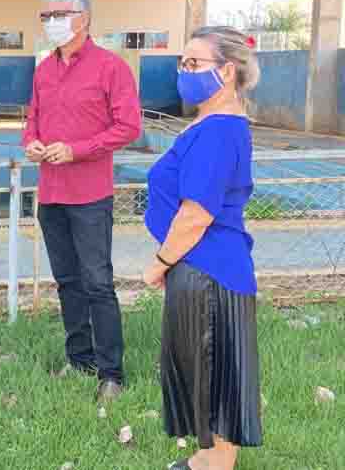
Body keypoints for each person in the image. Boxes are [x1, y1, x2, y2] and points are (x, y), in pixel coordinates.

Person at [143, 26, 262, 470]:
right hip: (202, 267)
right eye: (183, 63)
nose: (184, 72)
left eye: (194, 64)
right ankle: (209, 457)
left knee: (215, 370)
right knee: (211, 369)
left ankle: (215, 463)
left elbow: (197, 213)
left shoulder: (217, 131)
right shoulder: (213, 124)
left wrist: (158, 264)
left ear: (227, 71)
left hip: (209, 269)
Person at [22, 0, 141, 402]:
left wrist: (77, 150)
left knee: (97, 284)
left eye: (59, 15)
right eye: (46, 16)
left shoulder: (111, 68)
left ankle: (111, 373)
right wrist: (32, 142)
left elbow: (129, 127)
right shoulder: (43, 70)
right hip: (50, 195)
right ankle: (79, 360)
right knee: (67, 282)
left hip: (90, 196)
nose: (51, 23)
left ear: (84, 19)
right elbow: (31, 121)